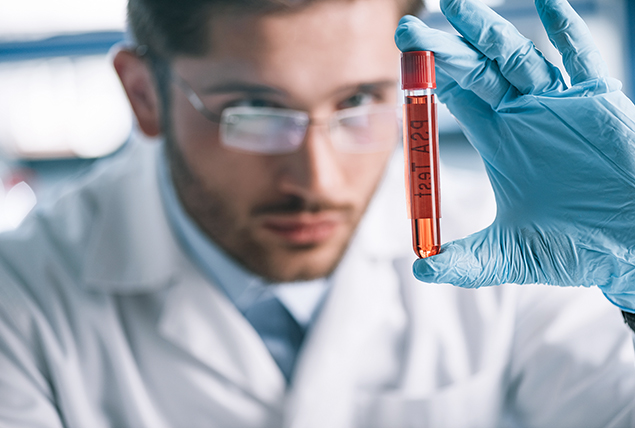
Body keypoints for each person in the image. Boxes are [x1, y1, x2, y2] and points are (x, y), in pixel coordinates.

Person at [0, 0, 634, 427]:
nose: (317, 180)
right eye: (252, 110)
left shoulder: (521, 251)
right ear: (145, 96)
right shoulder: (20, 299)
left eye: (359, 101)